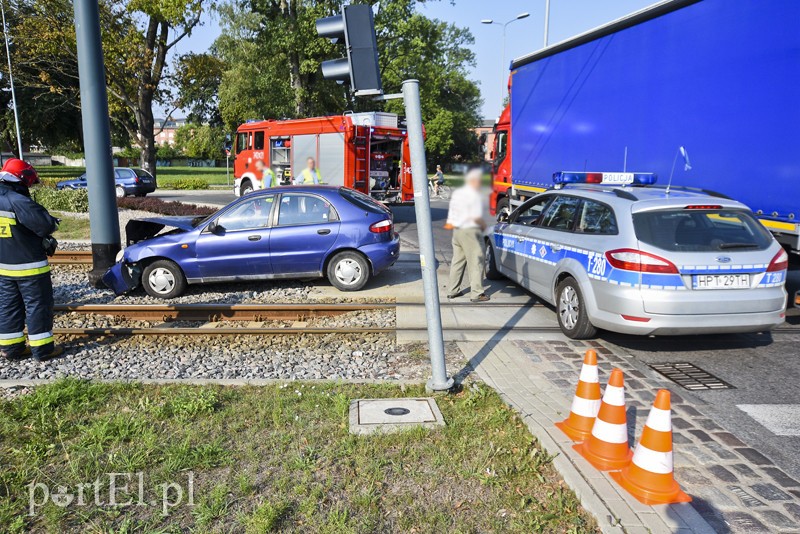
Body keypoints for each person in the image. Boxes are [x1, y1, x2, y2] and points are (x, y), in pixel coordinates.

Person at [0, 159, 62, 362]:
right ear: (22, 178)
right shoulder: (17, 200)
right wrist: (52, 222)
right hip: (30, 268)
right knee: (37, 306)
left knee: (8, 307)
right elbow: (45, 225)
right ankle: (42, 350)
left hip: (4, 268)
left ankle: (11, 349)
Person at [445, 168, 489, 302]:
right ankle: (477, 293)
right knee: (476, 262)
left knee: (457, 261)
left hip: (458, 230)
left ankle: (452, 290)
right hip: (471, 231)